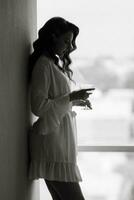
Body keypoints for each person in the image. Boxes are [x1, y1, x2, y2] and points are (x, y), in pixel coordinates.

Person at [28, 16, 94, 200]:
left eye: (71, 42)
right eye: (66, 41)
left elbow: (56, 101)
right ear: (53, 36)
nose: (69, 46)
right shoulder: (43, 65)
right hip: (53, 146)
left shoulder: (53, 65)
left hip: (60, 146)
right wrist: (71, 97)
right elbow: (39, 107)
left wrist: (74, 101)